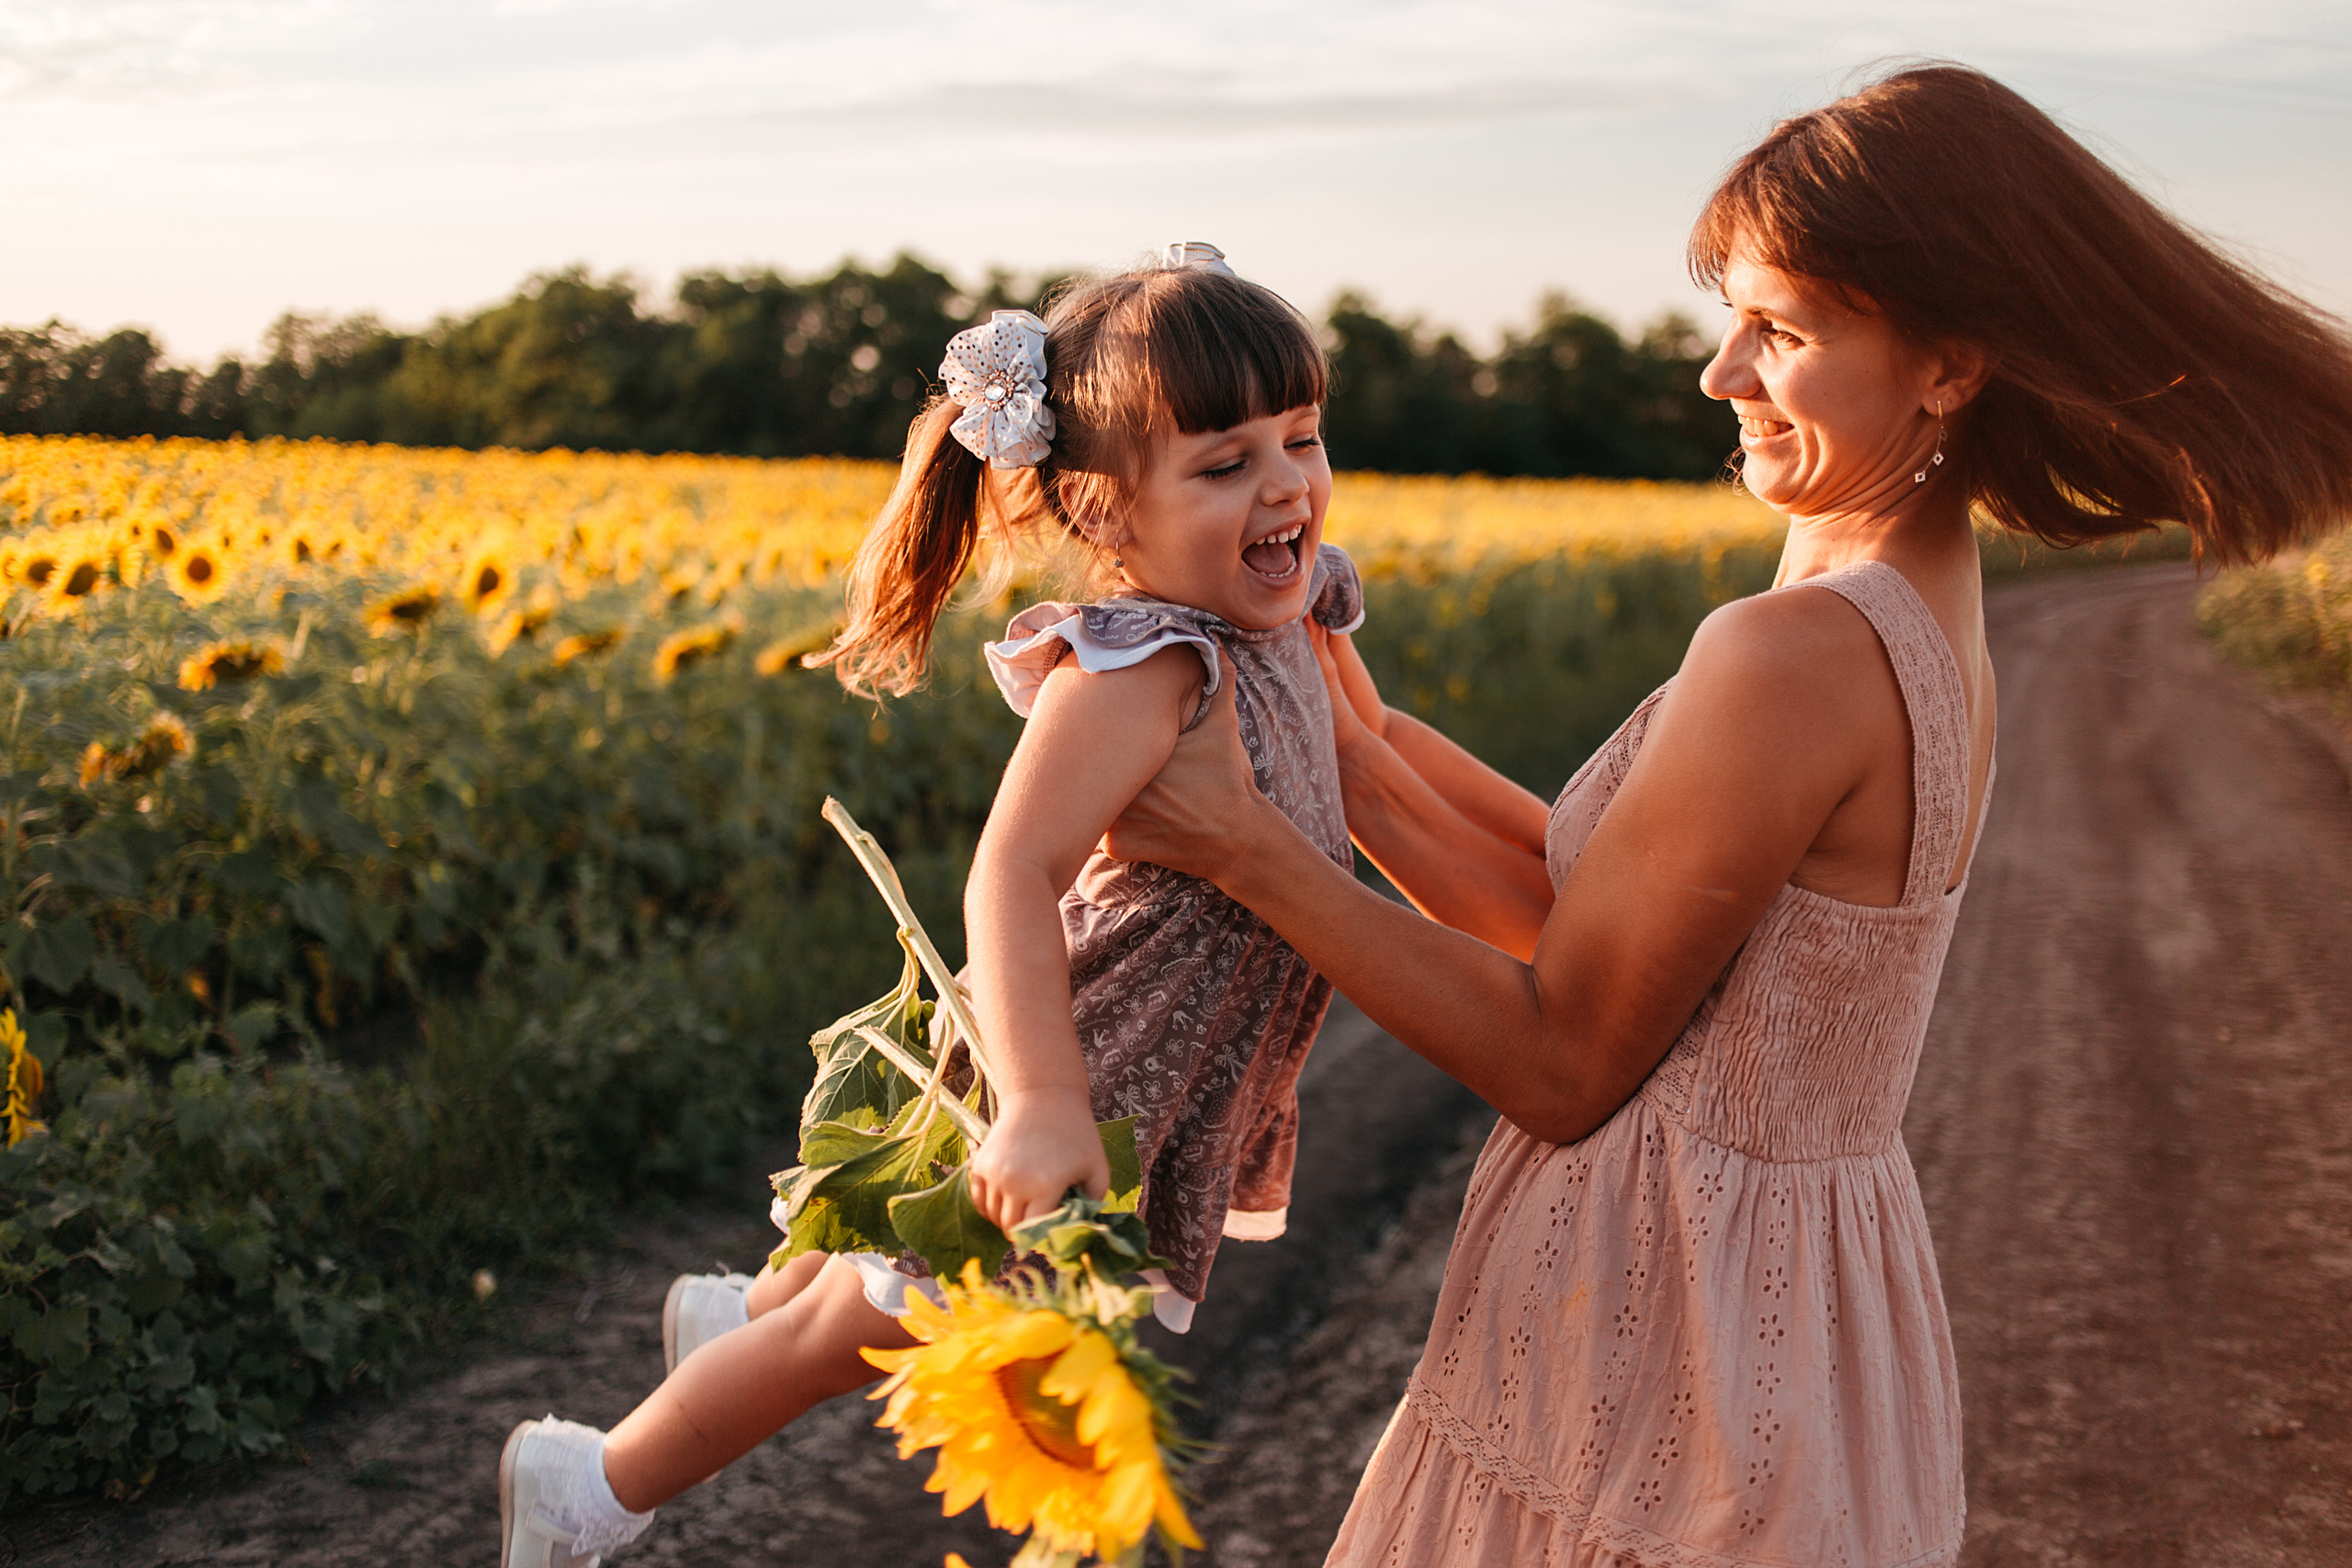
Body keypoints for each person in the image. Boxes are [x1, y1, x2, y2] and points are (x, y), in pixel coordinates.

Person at [1102, 66, 2352, 1567]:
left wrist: (1243, 847)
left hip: (1678, 1338)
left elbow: (1567, 1059)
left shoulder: (1801, 649)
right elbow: (1602, 933)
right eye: (1731, 316)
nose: (1719, 373)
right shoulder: (1895, 588)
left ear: (1950, 366)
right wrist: (1347, 745)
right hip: (1776, 1302)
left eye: (1783, 332)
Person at [495, 244, 1371, 1567]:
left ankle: (740, 1319)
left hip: (1161, 1073)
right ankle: (590, 1487)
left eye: (1300, 439)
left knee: (858, 1308)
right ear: (1106, 512)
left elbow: (1371, 756)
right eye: (1224, 464)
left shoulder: (1289, 611)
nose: (1287, 485)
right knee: (864, 1332)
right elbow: (1010, 870)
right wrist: (1042, 1103)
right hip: (1085, 1071)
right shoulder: (1143, 669)